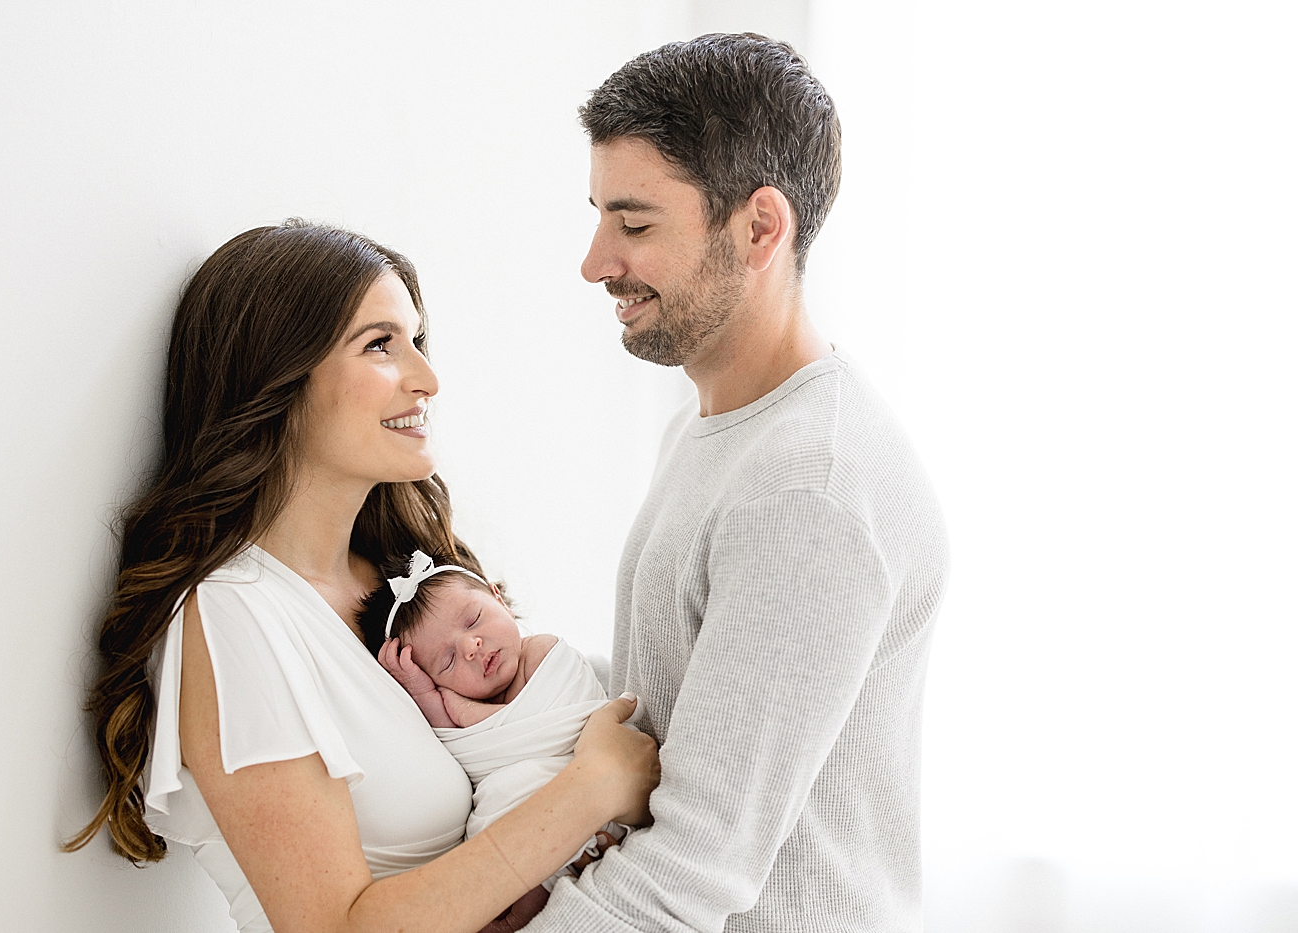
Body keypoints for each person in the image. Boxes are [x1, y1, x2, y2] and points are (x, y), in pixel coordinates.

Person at [64, 220, 660, 933]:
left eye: (417, 341)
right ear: (277, 378)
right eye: (380, 344)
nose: (427, 379)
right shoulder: (232, 615)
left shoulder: (400, 581)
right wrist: (591, 788)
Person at [524, 34, 950, 932]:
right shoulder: (717, 423)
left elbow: (691, 870)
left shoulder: (810, 487)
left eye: (634, 224)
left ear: (760, 227)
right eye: (600, 216)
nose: (595, 262)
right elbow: (692, 699)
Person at [361, 549, 627, 892]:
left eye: (473, 620)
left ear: (497, 597)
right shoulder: (446, 705)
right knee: (502, 796)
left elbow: (560, 719)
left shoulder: (543, 652)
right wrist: (421, 690)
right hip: (525, 821)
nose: (471, 646)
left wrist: (458, 705)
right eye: (447, 661)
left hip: (598, 779)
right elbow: (458, 739)